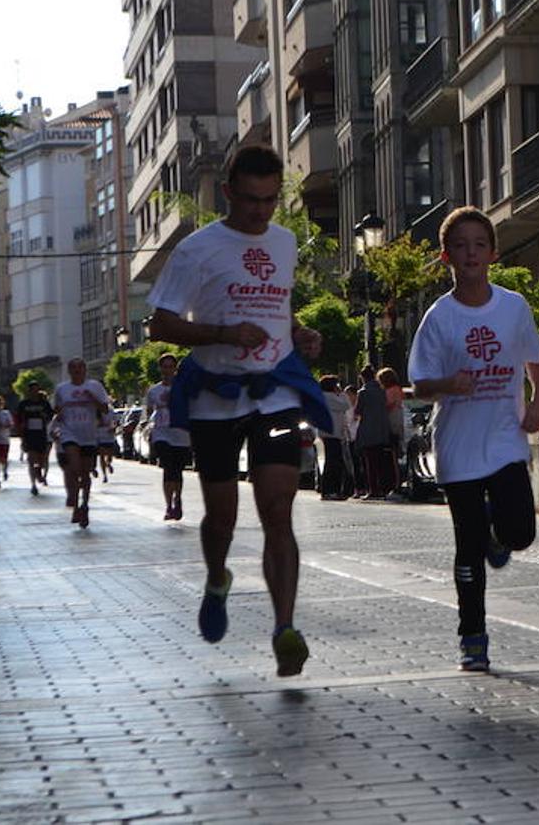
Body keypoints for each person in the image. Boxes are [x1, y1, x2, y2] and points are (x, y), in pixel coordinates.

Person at [146, 145, 329, 678]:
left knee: (278, 510)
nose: (261, 212)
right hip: (214, 396)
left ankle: (285, 627)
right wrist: (224, 334)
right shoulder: (197, 250)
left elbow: (279, 310)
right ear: (228, 193)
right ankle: (217, 577)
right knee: (222, 517)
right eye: (250, 200)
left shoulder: (285, 241)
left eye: (270, 200)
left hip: (274, 390)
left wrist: (300, 335)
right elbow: (160, 325)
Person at [409, 205, 539, 672]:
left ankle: (500, 535)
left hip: (505, 438)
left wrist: (538, 402)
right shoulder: (439, 317)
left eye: (479, 245)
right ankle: (472, 635)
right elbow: (420, 384)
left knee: (521, 532)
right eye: (461, 246)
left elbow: (537, 361)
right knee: (466, 547)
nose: (471, 253)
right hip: (458, 448)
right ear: (447, 256)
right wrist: (450, 384)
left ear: (493, 252)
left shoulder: (512, 307)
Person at [54, 358, 111, 529]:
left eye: (80, 367)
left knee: (85, 473)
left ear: (85, 370)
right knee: (74, 467)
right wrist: (58, 418)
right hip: (69, 432)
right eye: (74, 368)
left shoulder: (95, 386)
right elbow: (57, 409)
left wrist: (92, 399)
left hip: (88, 435)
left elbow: (105, 409)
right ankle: (73, 498)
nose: (77, 370)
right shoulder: (62, 389)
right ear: (69, 371)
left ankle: (84, 504)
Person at [146, 353, 192, 521]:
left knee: (177, 470)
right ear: (161, 369)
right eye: (164, 367)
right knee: (168, 468)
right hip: (162, 432)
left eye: (170, 367)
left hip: (180, 433)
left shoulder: (183, 387)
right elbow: (149, 411)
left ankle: (177, 499)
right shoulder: (154, 390)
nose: (167, 370)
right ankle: (168, 506)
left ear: (175, 369)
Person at [353, 366, 393, 499]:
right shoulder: (382, 391)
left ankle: (373, 489)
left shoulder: (363, 392)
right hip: (382, 429)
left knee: (370, 462)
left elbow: (357, 411)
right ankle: (383, 488)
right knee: (381, 461)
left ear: (363, 378)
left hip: (368, 429)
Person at [318, 375, 352, 501]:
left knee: (334, 462)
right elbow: (346, 405)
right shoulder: (328, 397)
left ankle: (332, 490)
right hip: (332, 434)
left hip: (332, 433)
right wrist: (342, 393)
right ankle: (330, 490)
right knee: (333, 463)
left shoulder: (325, 396)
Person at [16, 383, 53, 496]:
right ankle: (33, 485)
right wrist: (21, 430)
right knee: (31, 460)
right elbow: (17, 418)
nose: (34, 392)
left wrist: (45, 417)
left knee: (42, 459)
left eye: (36, 390)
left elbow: (50, 416)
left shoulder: (44, 403)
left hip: (41, 434)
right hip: (29, 435)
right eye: (32, 390)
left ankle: (39, 470)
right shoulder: (24, 404)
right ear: (29, 391)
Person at [377, 366, 408, 500]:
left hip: (392, 424)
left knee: (393, 456)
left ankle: (395, 485)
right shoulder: (399, 390)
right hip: (399, 423)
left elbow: (387, 406)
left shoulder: (389, 391)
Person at [97, 406, 118, 484]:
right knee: (102, 456)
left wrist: (113, 427)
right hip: (99, 437)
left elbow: (115, 422)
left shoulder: (111, 411)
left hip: (109, 437)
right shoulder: (96, 411)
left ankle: (108, 463)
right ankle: (104, 475)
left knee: (109, 456)